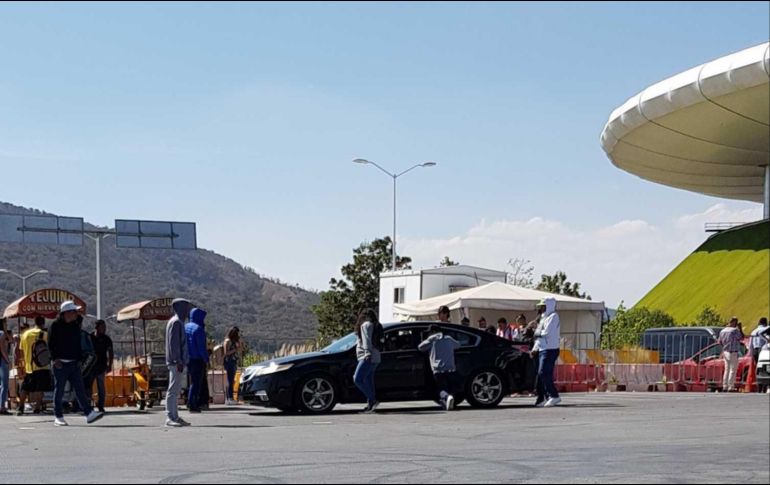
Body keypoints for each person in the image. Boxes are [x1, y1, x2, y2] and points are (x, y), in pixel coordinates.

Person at [48, 301, 104, 427]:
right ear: (66, 313)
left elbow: (79, 321)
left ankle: (89, 413)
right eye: (73, 311)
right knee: (60, 390)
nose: (75, 314)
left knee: (80, 389)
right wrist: (54, 359)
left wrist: (79, 360)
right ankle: (58, 416)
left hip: (74, 363)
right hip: (60, 364)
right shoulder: (55, 326)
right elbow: (50, 344)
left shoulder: (75, 325)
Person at [419, 324, 460, 411]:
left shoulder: (432, 339)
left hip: (438, 369)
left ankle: (447, 397)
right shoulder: (449, 338)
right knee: (450, 387)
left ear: (433, 332)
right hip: (451, 368)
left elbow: (420, 347)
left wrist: (426, 340)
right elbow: (458, 345)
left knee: (441, 388)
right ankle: (450, 398)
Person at [18, 316, 52, 416]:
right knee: (39, 388)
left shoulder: (25, 334)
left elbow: (21, 350)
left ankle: (21, 406)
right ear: (43, 323)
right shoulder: (45, 335)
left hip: (29, 366)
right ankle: (37, 408)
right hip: (42, 366)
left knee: (25, 387)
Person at [165, 299, 191, 428]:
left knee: (176, 391)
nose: (187, 310)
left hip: (178, 362)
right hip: (176, 362)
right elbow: (173, 344)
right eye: (185, 307)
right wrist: (178, 360)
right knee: (173, 390)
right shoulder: (175, 322)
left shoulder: (178, 322)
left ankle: (175, 416)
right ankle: (170, 417)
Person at [533, 298, 561, 408]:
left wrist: (536, 332)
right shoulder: (543, 318)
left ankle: (554, 395)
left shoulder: (554, 316)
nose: (541, 308)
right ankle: (546, 396)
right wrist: (535, 348)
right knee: (542, 374)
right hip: (542, 349)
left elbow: (547, 332)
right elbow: (538, 337)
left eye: (543, 306)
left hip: (550, 349)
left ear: (548, 305)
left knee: (544, 372)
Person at [353, 308, 383, 414]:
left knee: (357, 379)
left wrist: (367, 352)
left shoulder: (365, 325)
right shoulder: (375, 325)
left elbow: (366, 340)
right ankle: (370, 404)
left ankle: (373, 400)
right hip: (376, 356)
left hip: (367, 356)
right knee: (368, 380)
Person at [84, 320, 113, 414]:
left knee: (101, 386)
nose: (104, 329)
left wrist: (110, 365)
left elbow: (110, 353)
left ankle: (101, 405)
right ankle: (89, 404)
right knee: (89, 386)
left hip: (101, 365)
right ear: (97, 327)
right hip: (91, 366)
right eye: (102, 327)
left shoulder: (106, 339)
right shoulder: (90, 337)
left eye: (105, 327)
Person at [185, 307, 209, 414]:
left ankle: (190, 402)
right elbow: (201, 347)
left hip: (188, 358)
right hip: (197, 359)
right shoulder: (198, 329)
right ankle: (193, 404)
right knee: (196, 383)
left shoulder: (186, 327)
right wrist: (206, 359)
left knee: (191, 382)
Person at [718, 317, 744, 392]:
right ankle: (731, 386)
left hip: (725, 351)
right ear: (733, 322)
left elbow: (719, 341)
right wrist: (740, 328)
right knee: (733, 369)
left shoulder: (722, 331)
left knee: (726, 369)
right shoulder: (734, 330)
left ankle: (724, 386)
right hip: (733, 351)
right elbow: (741, 337)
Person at [223, 327, 242, 406]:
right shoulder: (227, 341)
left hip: (233, 361)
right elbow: (226, 353)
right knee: (230, 380)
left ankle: (231, 397)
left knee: (232, 380)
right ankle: (229, 398)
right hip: (229, 362)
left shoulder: (233, 342)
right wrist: (235, 350)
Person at [0, 319, 12, 415]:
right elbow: (3, 349)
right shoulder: (2, 334)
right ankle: (2, 407)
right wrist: (7, 360)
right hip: (2, 361)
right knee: (4, 385)